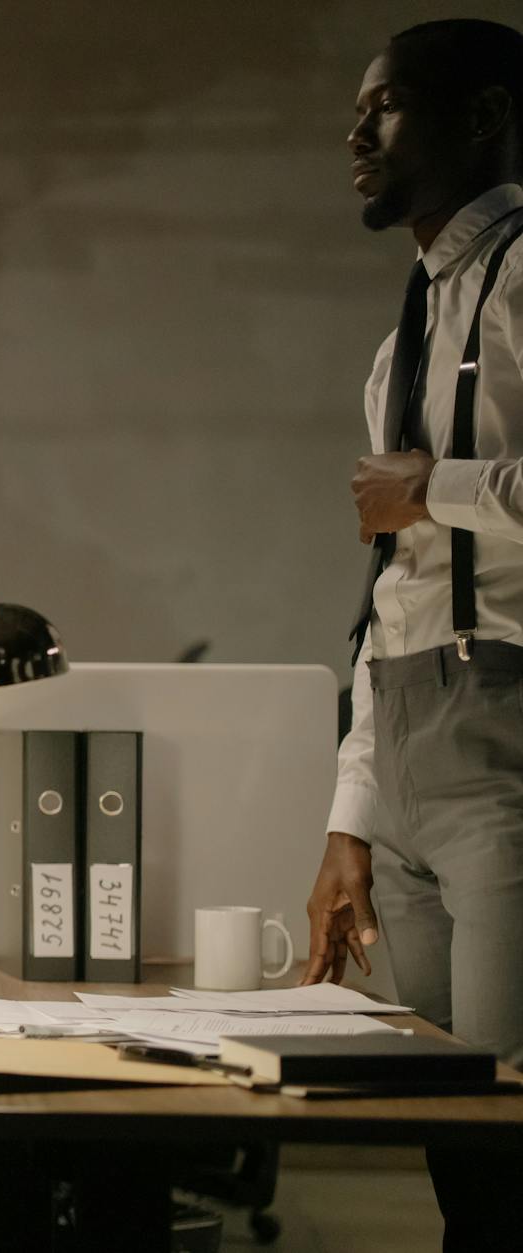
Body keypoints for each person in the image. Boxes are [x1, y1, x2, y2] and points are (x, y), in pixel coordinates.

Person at [303, 18, 523, 1252]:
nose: (354, 131)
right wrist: (349, 814)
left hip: (502, 723)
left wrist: (428, 486)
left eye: (382, 106)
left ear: (481, 113)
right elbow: (391, 593)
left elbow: (415, 510)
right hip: (405, 731)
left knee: (505, 1110)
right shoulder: (399, 339)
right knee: (447, 1120)